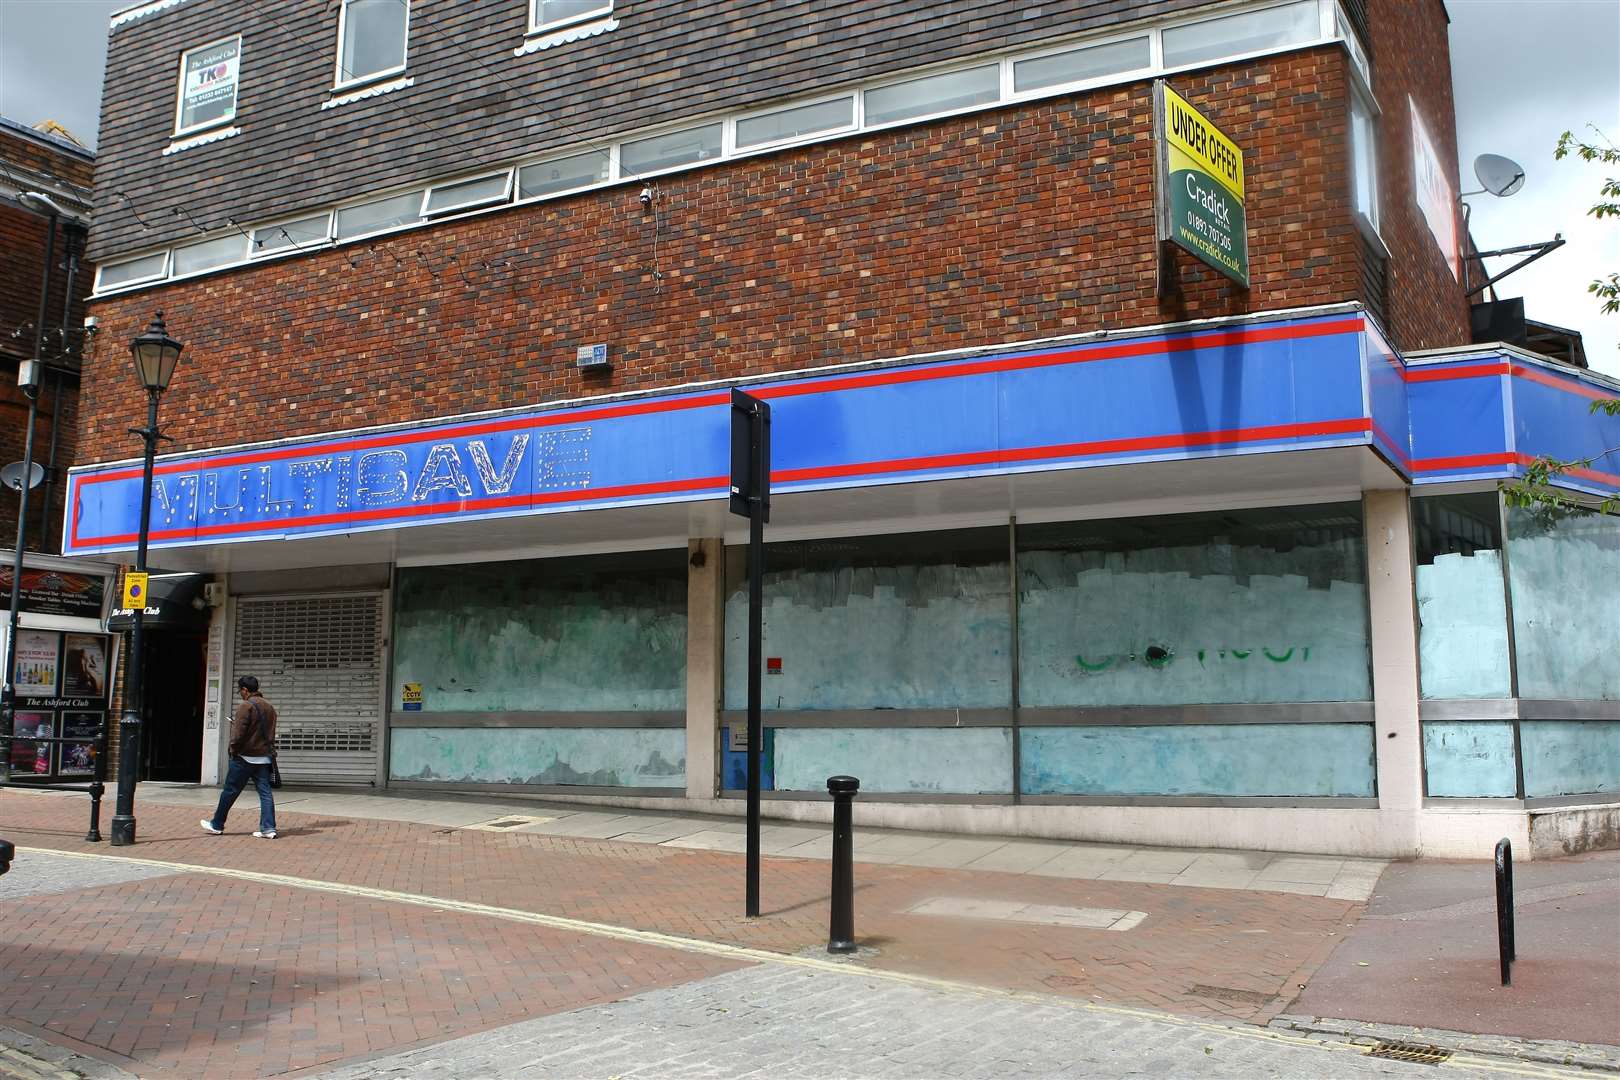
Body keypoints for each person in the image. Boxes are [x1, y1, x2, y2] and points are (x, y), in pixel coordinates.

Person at [201, 675, 278, 839]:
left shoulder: (246, 706)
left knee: (230, 791)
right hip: (263, 758)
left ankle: (217, 824)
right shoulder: (270, 707)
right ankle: (268, 828)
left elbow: (238, 734)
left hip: (245, 757)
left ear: (245, 690)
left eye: (240, 691)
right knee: (265, 793)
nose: (240, 694)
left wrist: (233, 750)